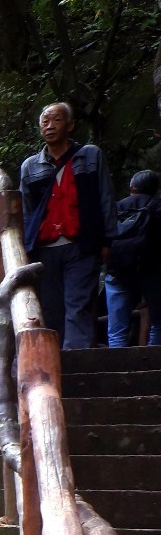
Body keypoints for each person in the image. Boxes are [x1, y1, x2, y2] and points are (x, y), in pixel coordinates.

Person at [20, 101, 113, 349]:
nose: (49, 127)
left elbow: (105, 198)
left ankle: (76, 362)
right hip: (44, 247)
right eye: (44, 122)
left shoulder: (91, 156)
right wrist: (25, 247)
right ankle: (54, 361)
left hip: (81, 243)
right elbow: (26, 211)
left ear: (70, 125)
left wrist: (107, 240)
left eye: (56, 120)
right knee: (50, 307)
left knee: (78, 303)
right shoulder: (31, 166)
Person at [106, 171, 161, 347]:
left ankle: (116, 369)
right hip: (152, 273)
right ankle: (155, 364)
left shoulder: (116, 208)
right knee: (158, 324)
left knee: (117, 329)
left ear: (132, 187)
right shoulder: (158, 207)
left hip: (118, 272)